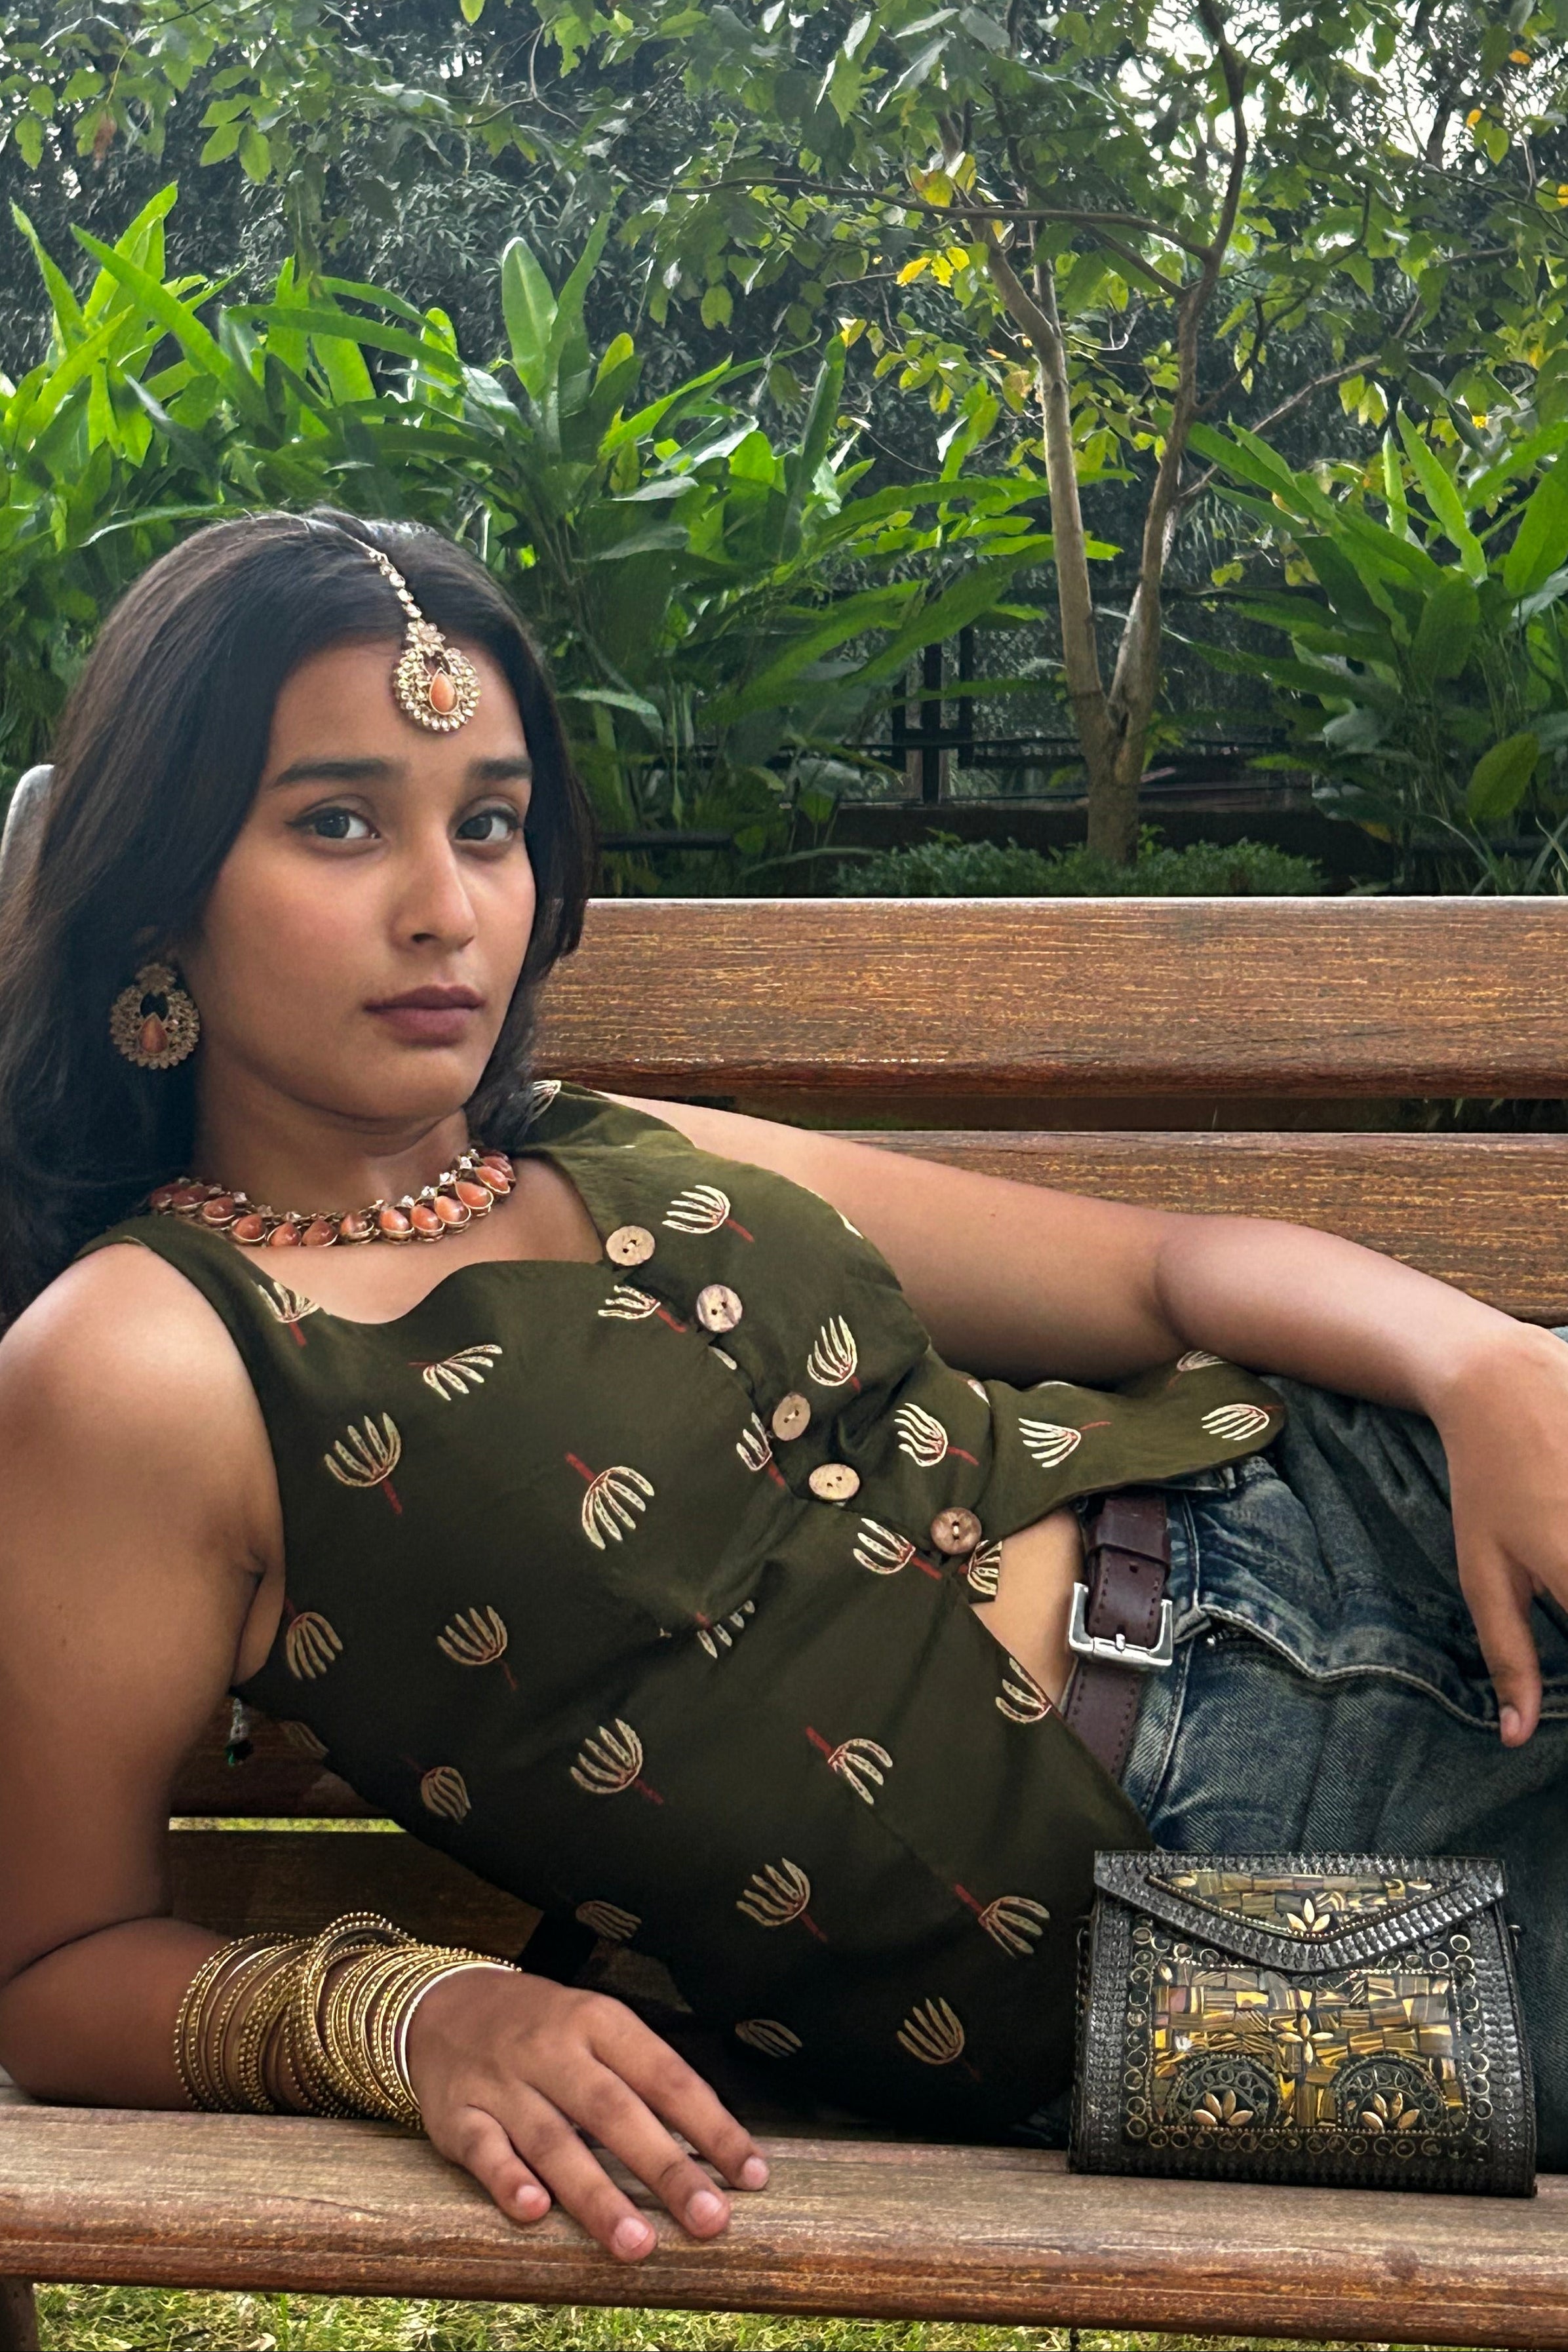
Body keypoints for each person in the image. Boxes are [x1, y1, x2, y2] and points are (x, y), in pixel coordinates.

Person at [0, 512, 1564, 2267]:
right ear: (158, 894)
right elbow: (51, 1968)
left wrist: (1480, 1358)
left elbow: (1161, 1269)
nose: (447, 907)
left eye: (493, 823)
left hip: (1369, 1515)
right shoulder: (140, 1362)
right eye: (337, 822)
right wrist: (409, 2015)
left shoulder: (610, 1151)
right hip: (1216, 1946)